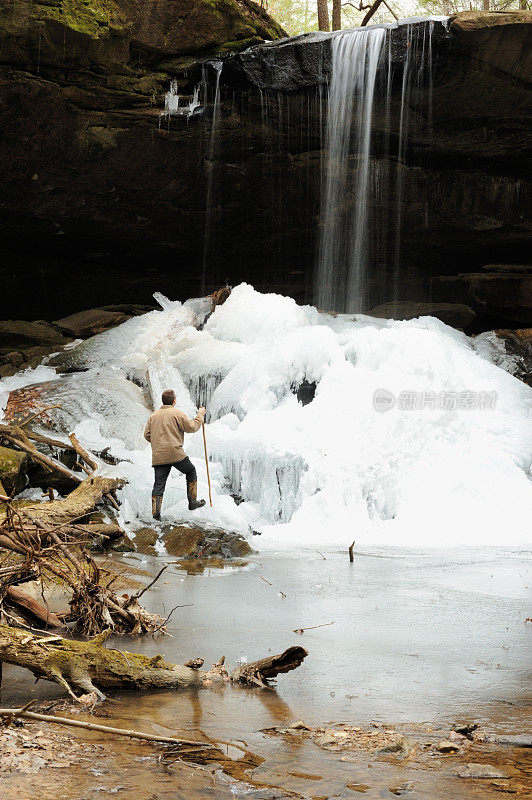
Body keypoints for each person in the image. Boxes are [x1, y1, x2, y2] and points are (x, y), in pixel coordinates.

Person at [144, 389, 206, 520]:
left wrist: (159, 443)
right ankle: (192, 502)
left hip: (159, 455)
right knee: (191, 471)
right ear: (174, 401)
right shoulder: (177, 413)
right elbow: (192, 427)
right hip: (175, 453)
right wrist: (200, 414)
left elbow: (146, 435)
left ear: (163, 401)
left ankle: (156, 515)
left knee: (159, 484)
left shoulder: (153, 416)